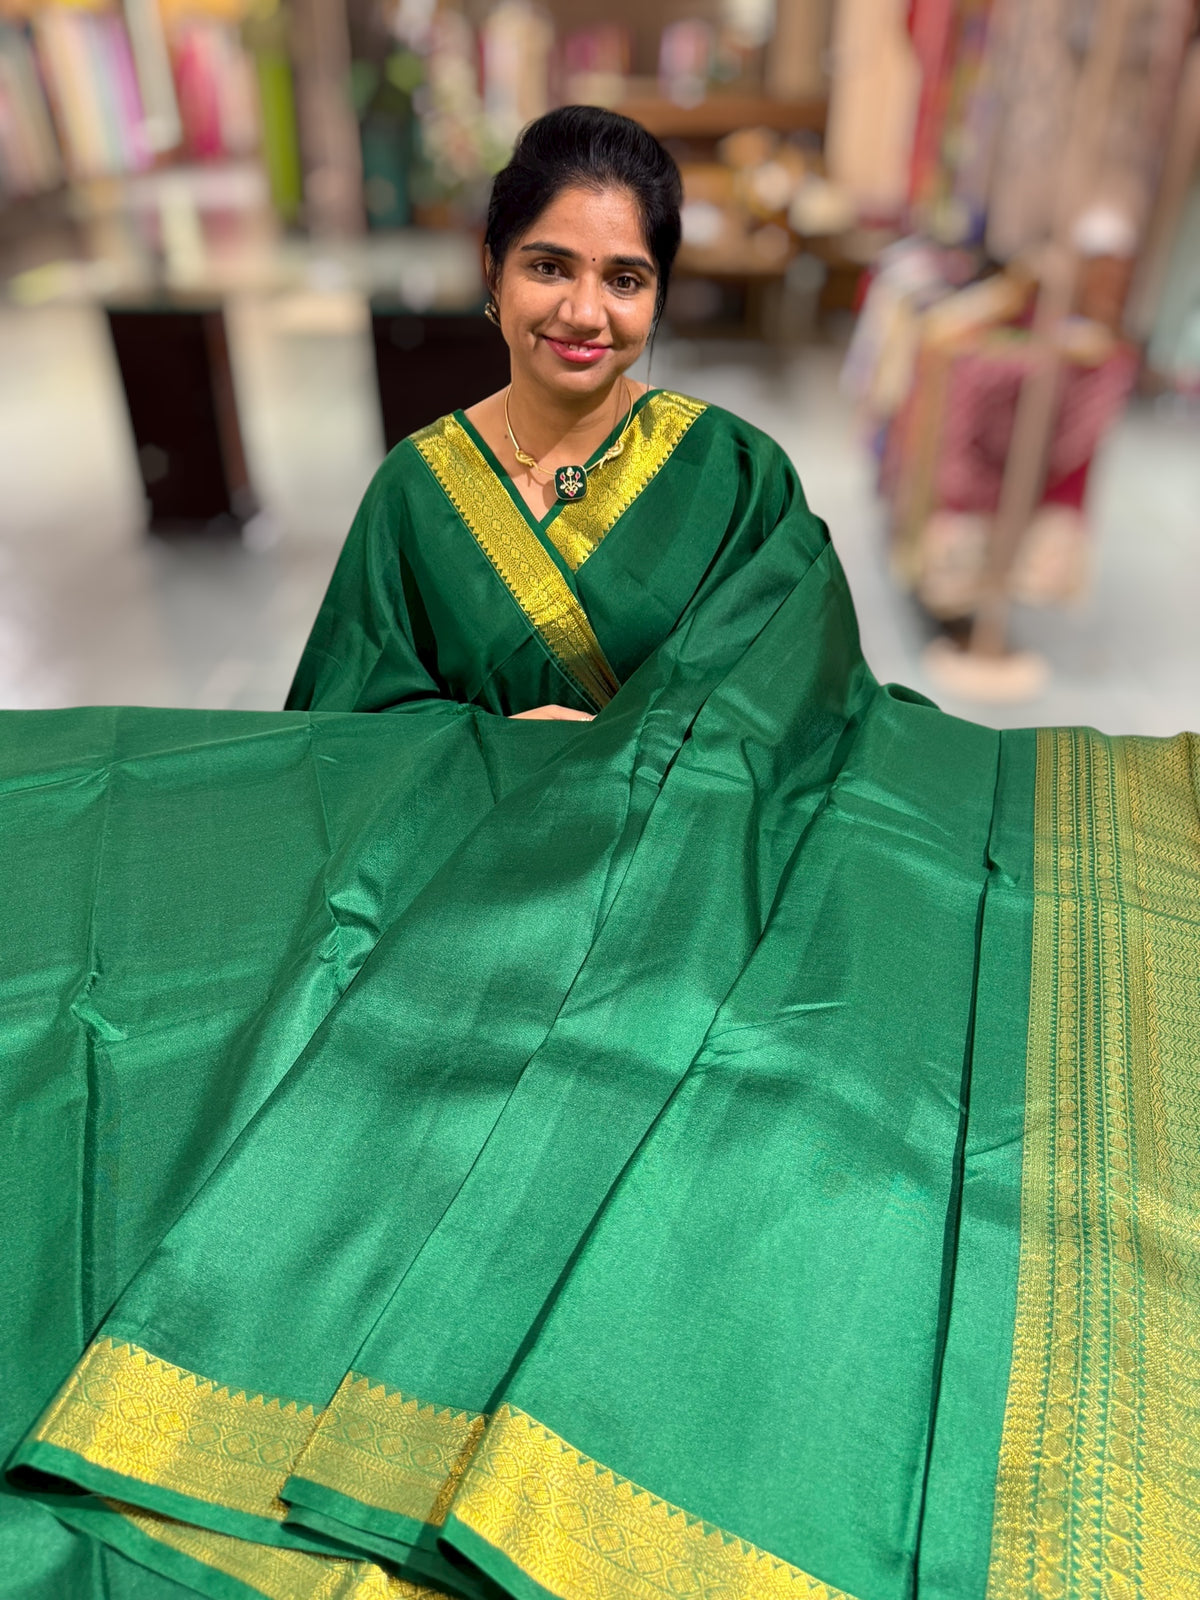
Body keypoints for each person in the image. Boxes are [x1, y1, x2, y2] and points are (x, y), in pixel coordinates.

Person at [3, 106, 1197, 1600]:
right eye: (551, 268)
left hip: (707, 889)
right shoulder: (416, 498)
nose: (587, 311)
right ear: (493, 275)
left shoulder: (734, 474)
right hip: (489, 910)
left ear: (661, 296)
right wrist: (506, 753)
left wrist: (643, 757)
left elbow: (794, 693)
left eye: (625, 279)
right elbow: (345, 751)